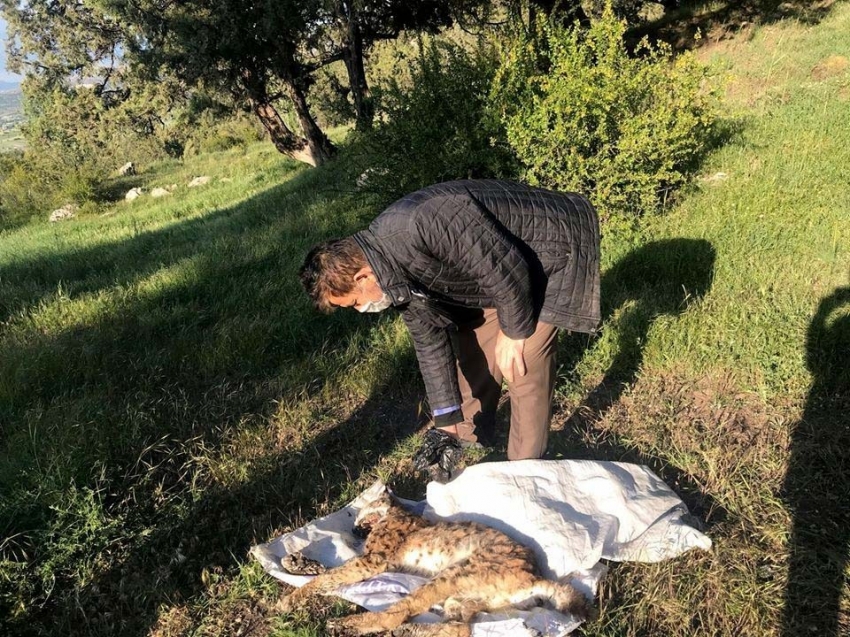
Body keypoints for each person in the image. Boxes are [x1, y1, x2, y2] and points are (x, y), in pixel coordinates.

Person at [299, 179, 601, 467]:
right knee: (474, 346)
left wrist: (514, 333)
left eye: (353, 302)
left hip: (550, 249)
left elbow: (506, 267)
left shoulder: (420, 223)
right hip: (499, 274)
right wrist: (445, 425)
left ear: (362, 277)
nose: (360, 309)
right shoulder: (389, 269)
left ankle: (524, 467)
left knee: (522, 360)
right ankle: (465, 435)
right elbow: (429, 345)